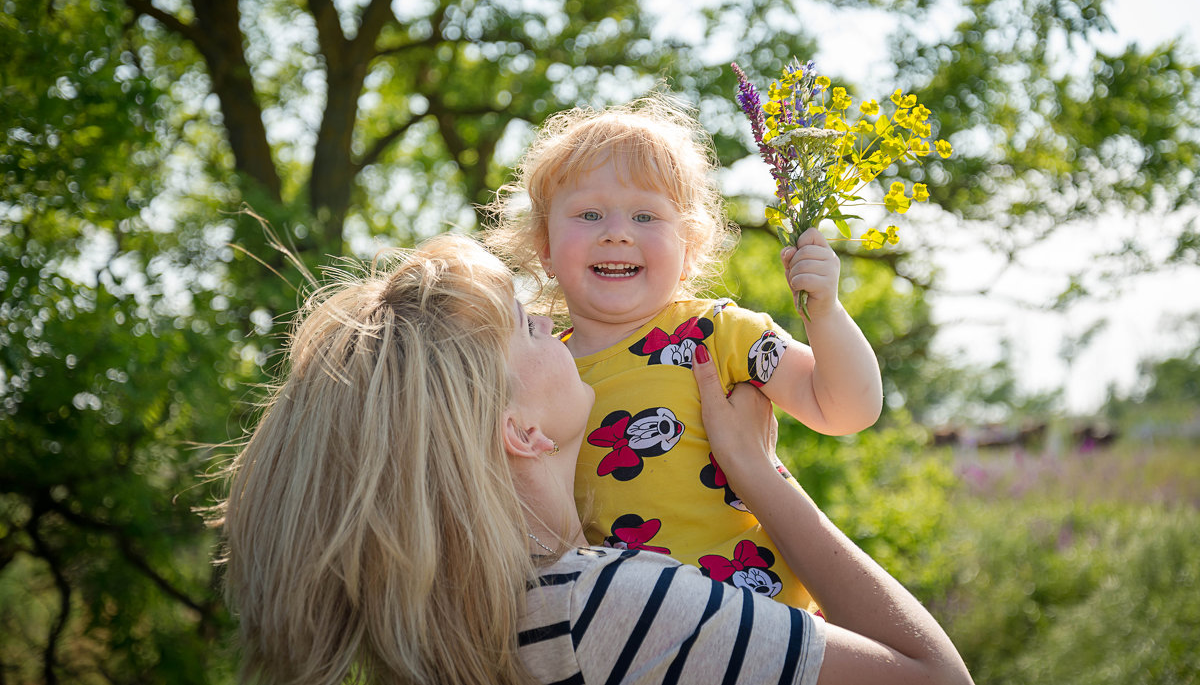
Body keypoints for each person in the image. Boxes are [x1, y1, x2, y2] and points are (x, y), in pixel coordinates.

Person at [215, 234, 972, 685]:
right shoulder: (607, 604)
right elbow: (937, 680)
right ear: (520, 430)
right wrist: (757, 473)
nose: (549, 319)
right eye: (525, 325)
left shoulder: (500, 612)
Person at [484, 95, 883, 609]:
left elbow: (846, 408)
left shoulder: (717, 332)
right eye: (589, 214)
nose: (617, 233)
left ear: (690, 246)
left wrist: (825, 314)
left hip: (766, 621)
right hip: (639, 634)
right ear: (543, 245)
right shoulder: (540, 373)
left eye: (646, 216)